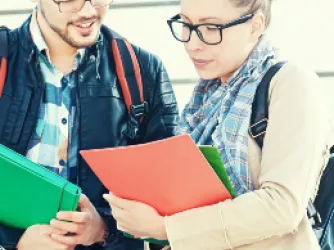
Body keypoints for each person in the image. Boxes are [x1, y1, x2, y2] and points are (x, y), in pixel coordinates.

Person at [103, 0, 331, 249]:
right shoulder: (204, 100)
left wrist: (165, 227)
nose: (192, 43)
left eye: (211, 27)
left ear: (255, 26)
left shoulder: (290, 83)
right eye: (186, 24)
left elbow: (282, 206)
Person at [0, 0, 179, 250]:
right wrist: (13, 243)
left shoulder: (144, 71)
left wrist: (104, 231)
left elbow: (169, 209)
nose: (88, 11)